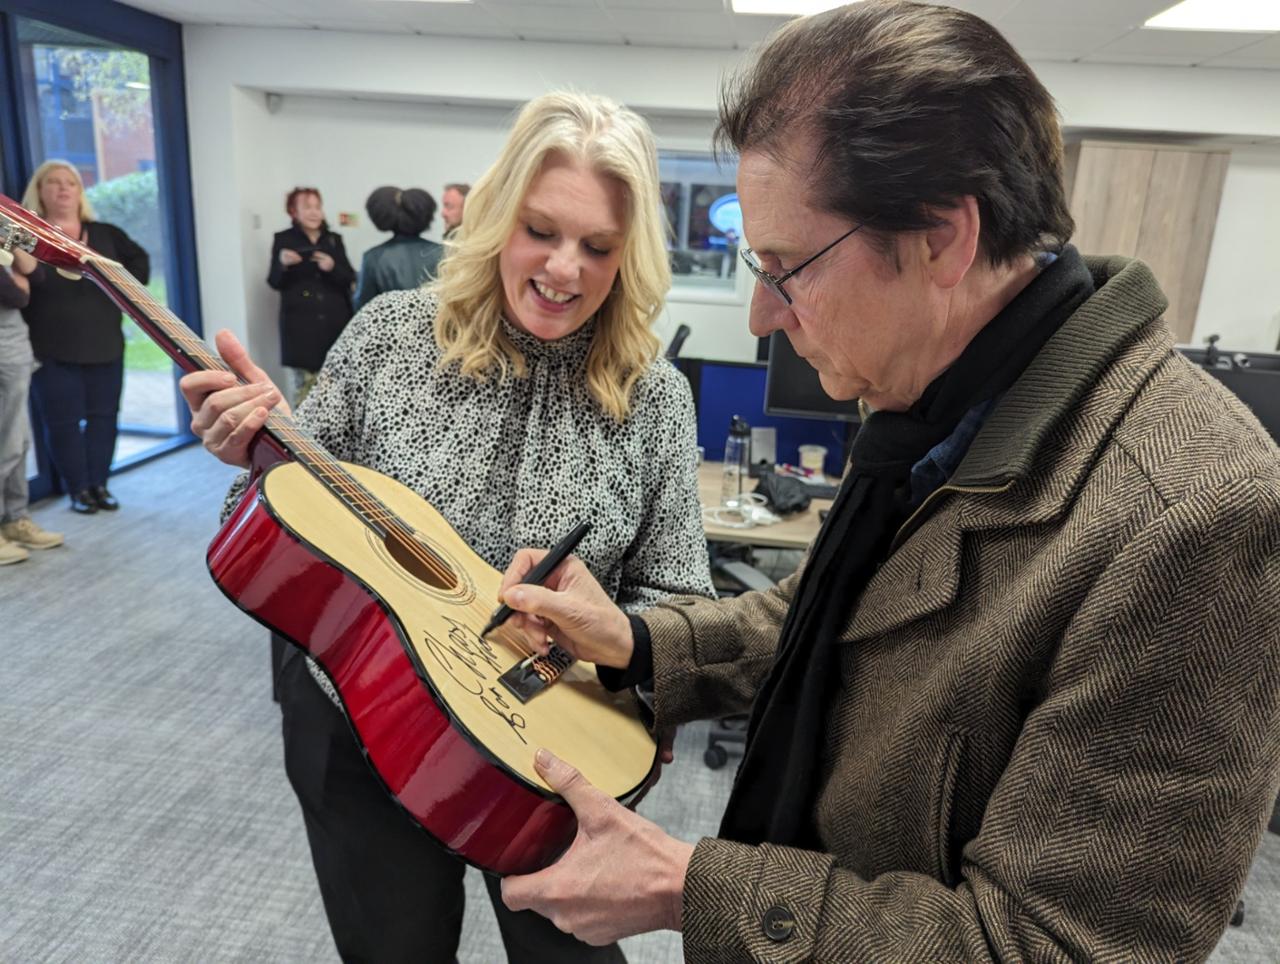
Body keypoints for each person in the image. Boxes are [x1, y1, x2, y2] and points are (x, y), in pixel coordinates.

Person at [494, 4, 1280, 962]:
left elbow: (1056, 946)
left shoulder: (1195, 514)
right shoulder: (937, 402)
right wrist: (637, 643)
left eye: (788, 268)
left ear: (944, 240)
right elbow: (837, 621)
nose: (761, 314)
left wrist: (686, 887)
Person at [180, 90, 714, 963]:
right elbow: (268, 521)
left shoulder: (655, 398)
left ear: (630, 255)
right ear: (496, 218)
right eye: (541, 230)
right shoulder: (390, 337)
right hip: (360, 719)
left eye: (598, 246)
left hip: (552, 759)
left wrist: (604, 645)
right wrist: (252, 460)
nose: (564, 269)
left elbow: (681, 602)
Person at [20, 160, 149, 514]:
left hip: (104, 341)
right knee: (62, 421)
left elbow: (140, 264)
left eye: (71, 183)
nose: (63, 189)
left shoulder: (105, 233)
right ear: (40, 191)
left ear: (79, 192)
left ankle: (99, 486)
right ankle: (78, 489)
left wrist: (122, 292)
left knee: (104, 416)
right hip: (51, 347)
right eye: (54, 183)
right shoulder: (31, 239)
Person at [0, 249, 64, 564]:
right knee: (6, 441)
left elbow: (36, 276)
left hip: (13, 340)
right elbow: (16, 294)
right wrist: (17, 279)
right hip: (5, 339)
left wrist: (18, 266)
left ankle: (14, 519)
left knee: (19, 439)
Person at [267, 187, 355, 406]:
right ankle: (303, 440)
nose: (314, 212)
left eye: (317, 207)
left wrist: (332, 266)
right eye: (307, 207)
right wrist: (283, 265)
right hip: (301, 329)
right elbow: (273, 281)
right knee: (305, 392)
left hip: (336, 324)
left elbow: (350, 278)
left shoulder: (334, 239)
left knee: (339, 391)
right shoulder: (284, 240)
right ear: (293, 212)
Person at [352, 185, 444, 310]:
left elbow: (361, 306)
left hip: (389, 328)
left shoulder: (373, 258)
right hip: (435, 327)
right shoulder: (443, 253)